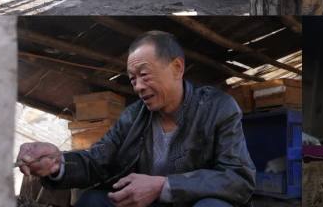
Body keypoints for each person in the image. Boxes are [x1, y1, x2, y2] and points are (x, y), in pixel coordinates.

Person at [16, 31, 256, 207]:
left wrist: (163, 185)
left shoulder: (217, 107)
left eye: (144, 75)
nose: (139, 87)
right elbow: (98, 160)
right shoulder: (134, 115)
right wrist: (57, 164)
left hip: (190, 203)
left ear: (177, 68)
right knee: (92, 202)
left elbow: (238, 178)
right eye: (132, 79)